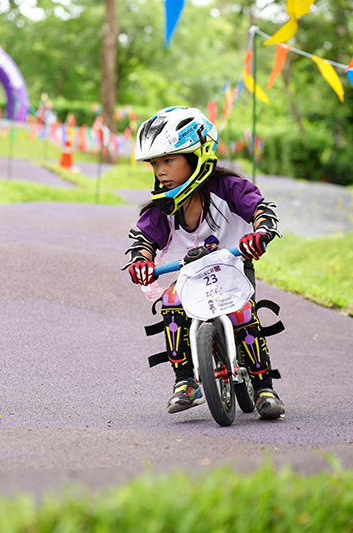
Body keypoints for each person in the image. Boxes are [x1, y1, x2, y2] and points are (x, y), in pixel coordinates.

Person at [123, 106, 286, 420]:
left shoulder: (228, 188)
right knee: (170, 302)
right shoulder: (164, 206)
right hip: (189, 278)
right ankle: (185, 381)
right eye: (155, 163)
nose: (160, 171)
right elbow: (144, 239)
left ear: (197, 155)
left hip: (233, 269)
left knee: (241, 312)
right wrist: (141, 261)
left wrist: (261, 232)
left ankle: (265, 387)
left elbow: (260, 210)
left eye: (168, 160)